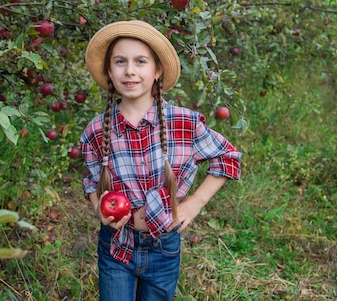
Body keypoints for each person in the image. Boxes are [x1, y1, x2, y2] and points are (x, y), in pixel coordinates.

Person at [80, 20, 242, 301]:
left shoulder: (184, 122)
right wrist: (98, 208)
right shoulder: (97, 129)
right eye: (120, 61)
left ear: (156, 71)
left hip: (164, 246)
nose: (130, 70)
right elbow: (92, 179)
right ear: (109, 71)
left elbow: (228, 156)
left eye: (140, 61)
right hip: (116, 245)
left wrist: (196, 203)